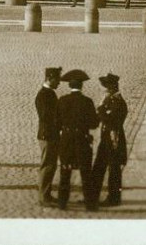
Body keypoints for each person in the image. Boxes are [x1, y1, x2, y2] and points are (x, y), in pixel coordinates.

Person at [55, 69, 98, 210]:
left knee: (65, 172)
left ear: (69, 86)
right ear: (81, 86)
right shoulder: (87, 102)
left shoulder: (62, 101)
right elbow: (94, 123)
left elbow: (57, 122)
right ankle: (90, 204)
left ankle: (62, 202)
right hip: (82, 140)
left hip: (66, 140)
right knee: (86, 172)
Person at [92, 73, 129, 207]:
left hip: (114, 139)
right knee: (98, 167)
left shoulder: (118, 102)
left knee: (114, 169)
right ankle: (92, 196)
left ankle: (113, 198)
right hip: (106, 138)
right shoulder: (110, 99)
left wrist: (101, 110)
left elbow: (111, 120)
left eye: (106, 87)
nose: (104, 90)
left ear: (112, 87)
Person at [35, 66, 62, 205]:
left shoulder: (49, 93)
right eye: (57, 80)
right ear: (49, 78)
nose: (59, 83)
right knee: (47, 165)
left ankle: (47, 194)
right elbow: (45, 116)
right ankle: (44, 197)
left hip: (50, 134)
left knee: (51, 165)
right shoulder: (44, 95)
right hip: (48, 135)